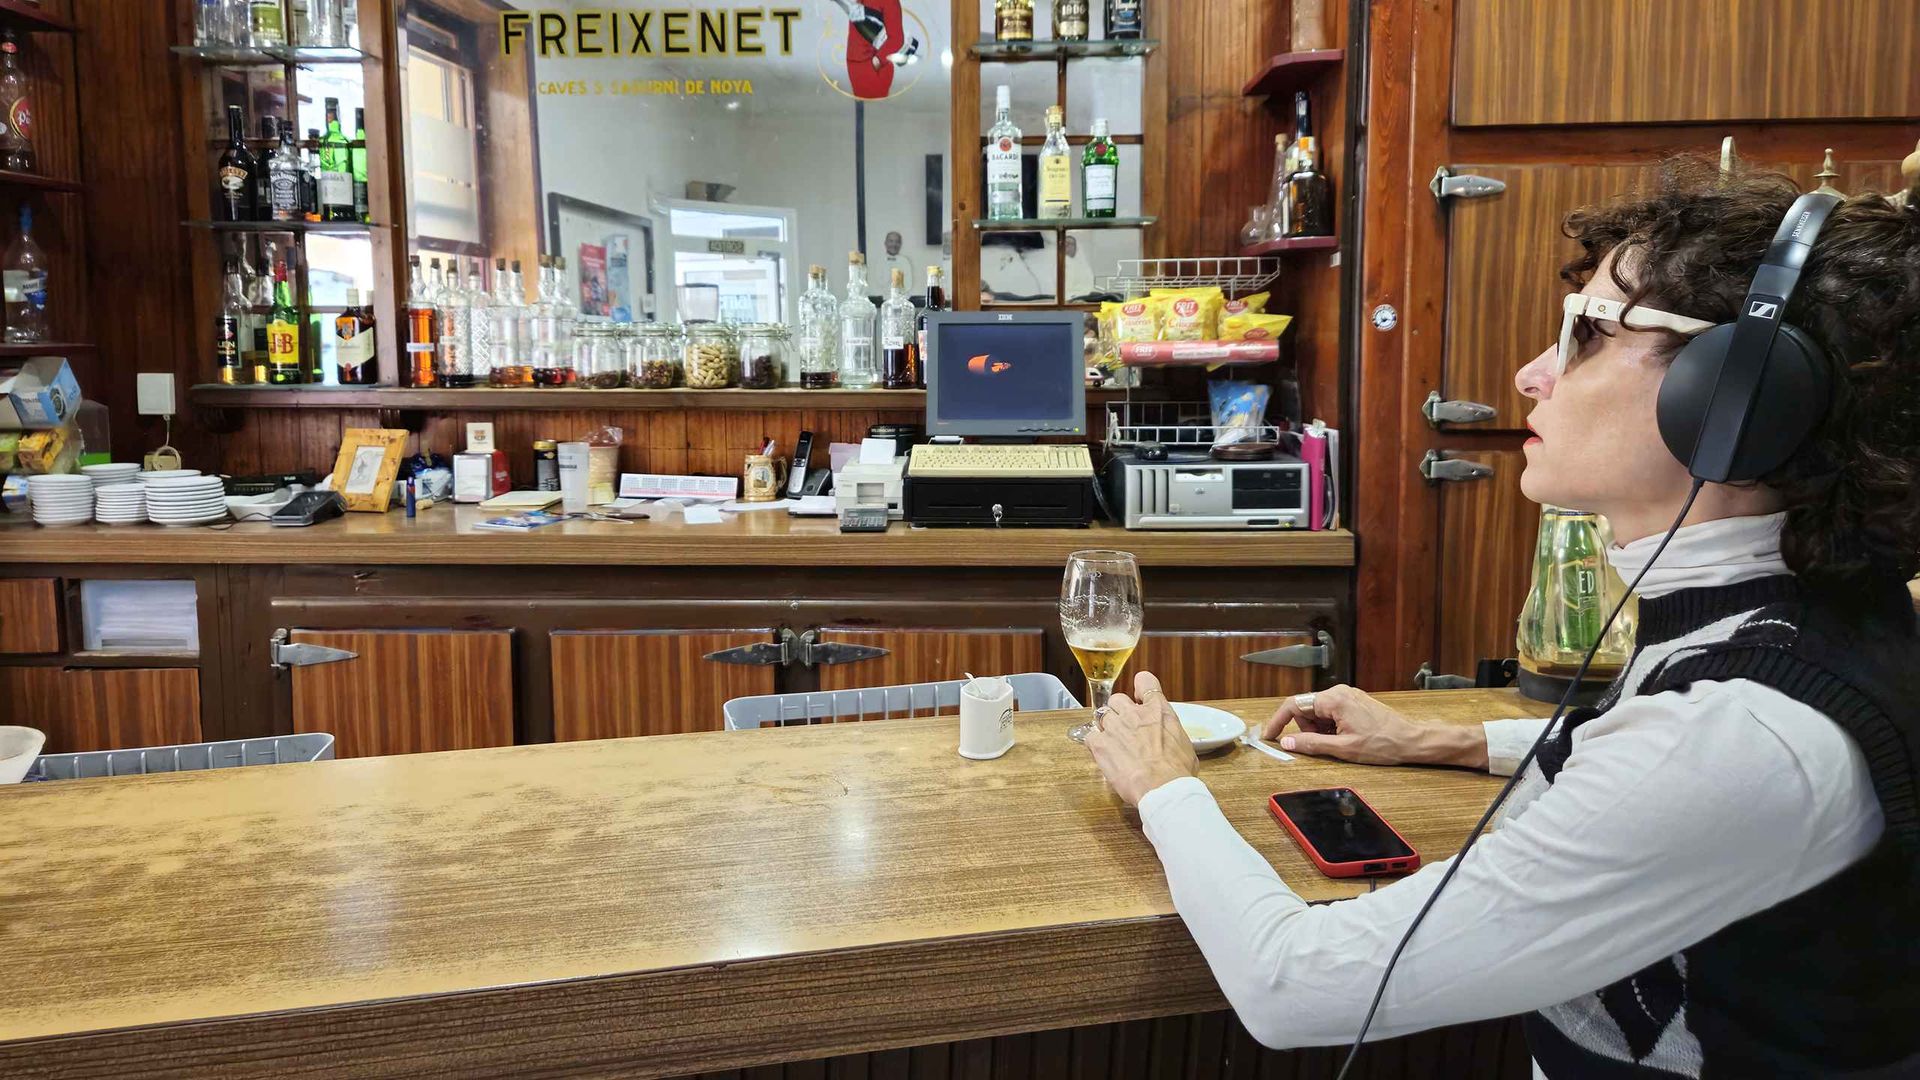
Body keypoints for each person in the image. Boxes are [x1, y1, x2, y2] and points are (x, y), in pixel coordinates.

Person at [1086, 157, 1920, 1078]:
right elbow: (1653, 765)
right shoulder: (1799, 621)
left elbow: (1293, 983)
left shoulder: (1747, 735)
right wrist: (1442, 741)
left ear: (1740, 394)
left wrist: (1165, 790)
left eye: (1589, 337)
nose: (1531, 374)